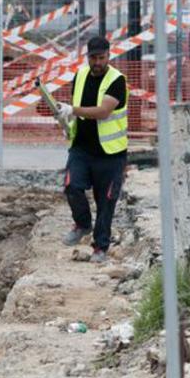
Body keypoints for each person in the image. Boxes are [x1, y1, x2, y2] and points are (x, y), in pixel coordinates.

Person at [55, 35, 127, 264]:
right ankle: (83, 223)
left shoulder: (117, 80)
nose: (97, 62)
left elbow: (103, 111)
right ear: (87, 57)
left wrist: (72, 110)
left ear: (108, 56)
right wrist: (68, 124)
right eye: (93, 58)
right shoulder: (81, 75)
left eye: (101, 58)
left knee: (106, 202)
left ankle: (100, 247)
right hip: (82, 149)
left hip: (111, 154)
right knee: (71, 186)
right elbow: (75, 108)